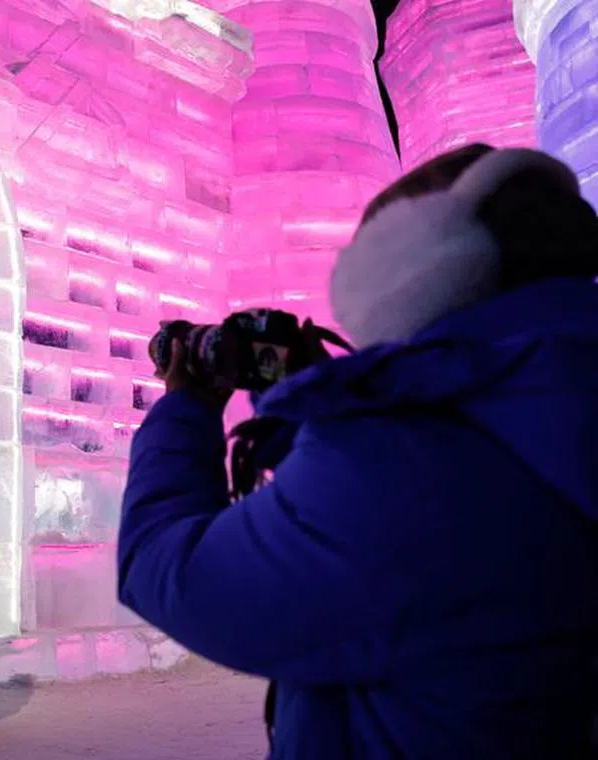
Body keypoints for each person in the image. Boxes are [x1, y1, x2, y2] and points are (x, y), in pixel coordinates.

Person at [117, 145, 598, 758]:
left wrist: (184, 409)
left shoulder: (396, 474)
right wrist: (319, 409)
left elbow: (168, 571)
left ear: (422, 272)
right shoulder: (549, 405)